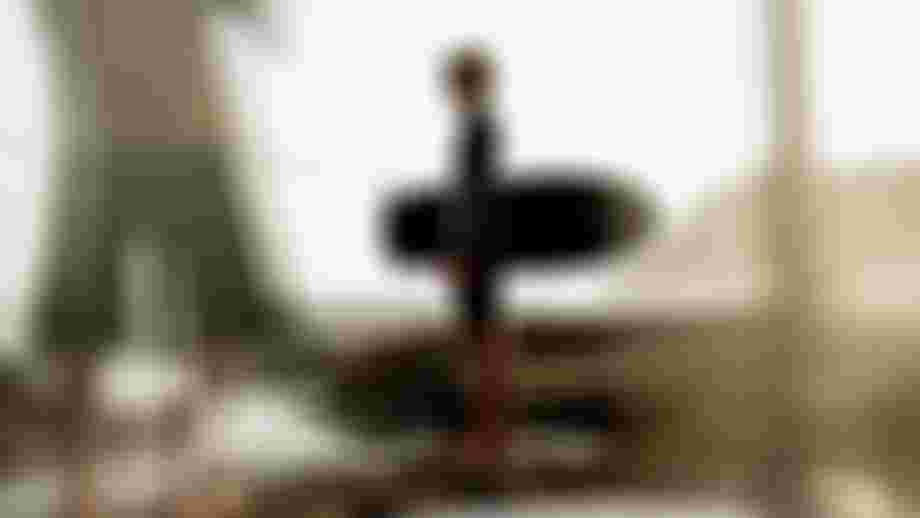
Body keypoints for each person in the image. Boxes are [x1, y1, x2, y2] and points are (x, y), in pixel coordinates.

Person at [28, 1, 313, 515]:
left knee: (216, 322)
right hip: (126, 142)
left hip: (151, 141)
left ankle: (179, 460)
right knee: (80, 330)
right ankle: (121, 470)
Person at [440, 44, 514, 482]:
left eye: (456, 83)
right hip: (481, 250)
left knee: (482, 344)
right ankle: (489, 436)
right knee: (483, 341)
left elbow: (474, 199)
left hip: (477, 252)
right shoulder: (478, 129)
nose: (452, 91)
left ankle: (490, 439)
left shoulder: (478, 132)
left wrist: (461, 253)